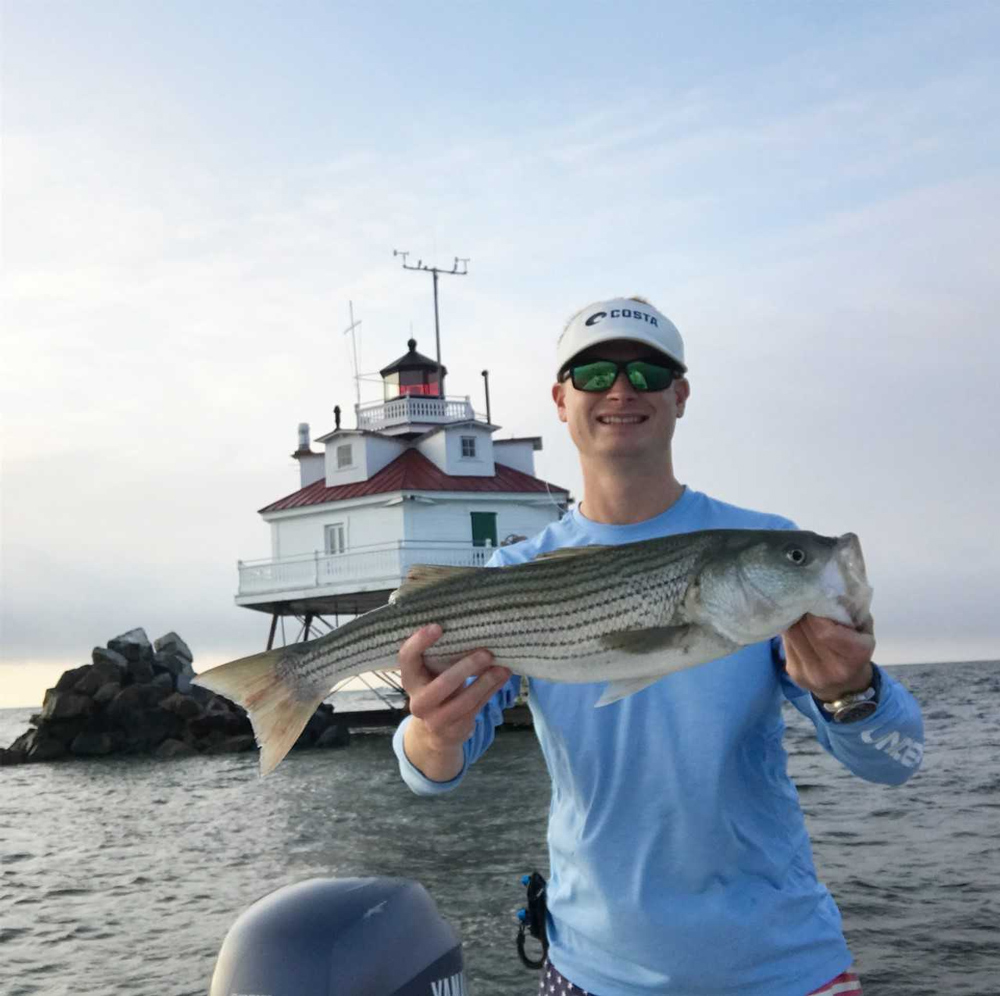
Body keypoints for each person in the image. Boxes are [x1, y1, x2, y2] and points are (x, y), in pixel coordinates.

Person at [392, 296, 924, 996]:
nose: (620, 389)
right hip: (591, 972)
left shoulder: (756, 545)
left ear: (680, 395)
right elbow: (430, 771)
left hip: (783, 968)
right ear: (559, 399)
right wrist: (432, 733)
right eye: (593, 374)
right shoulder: (510, 582)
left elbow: (898, 760)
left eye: (646, 374)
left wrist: (847, 691)